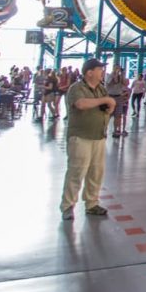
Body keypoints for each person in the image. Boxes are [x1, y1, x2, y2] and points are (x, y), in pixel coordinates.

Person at [60, 59, 115, 220]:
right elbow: (81, 104)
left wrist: (108, 106)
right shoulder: (77, 88)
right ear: (89, 72)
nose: (102, 73)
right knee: (77, 171)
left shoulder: (101, 89)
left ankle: (92, 203)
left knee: (96, 171)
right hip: (80, 137)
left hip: (98, 136)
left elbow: (107, 109)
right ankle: (67, 205)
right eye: (99, 70)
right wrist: (105, 101)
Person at [105, 65, 129, 138]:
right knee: (108, 115)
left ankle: (116, 130)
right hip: (110, 96)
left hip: (119, 97)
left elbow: (125, 83)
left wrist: (123, 75)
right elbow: (108, 82)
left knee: (118, 115)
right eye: (116, 68)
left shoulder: (121, 77)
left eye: (118, 68)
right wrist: (114, 73)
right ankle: (104, 130)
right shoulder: (108, 75)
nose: (117, 70)